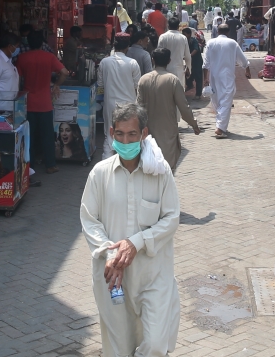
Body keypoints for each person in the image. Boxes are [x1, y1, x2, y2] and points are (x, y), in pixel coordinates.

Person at [80, 103, 180, 357]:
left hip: (153, 275)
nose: (126, 141)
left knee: (155, 344)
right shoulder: (100, 174)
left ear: (144, 133)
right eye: (120, 134)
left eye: (132, 134)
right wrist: (110, 253)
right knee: (118, 349)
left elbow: (171, 217)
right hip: (113, 278)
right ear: (111, 133)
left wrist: (138, 241)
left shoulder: (160, 172)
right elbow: (89, 220)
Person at [137, 48, 201, 170]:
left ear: (153, 60)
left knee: (149, 168)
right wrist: (193, 124)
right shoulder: (172, 80)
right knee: (167, 168)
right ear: (169, 61)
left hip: (148, 131)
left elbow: (138, 108)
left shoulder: (143, 80)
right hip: (168, 132)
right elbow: (183, 106)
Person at [15, 31, 66, 174]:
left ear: (28, 42)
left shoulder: (22, 58)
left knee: (29, 136)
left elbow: (17, 80)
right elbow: (64, 72)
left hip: (28, 103)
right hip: (45, 103)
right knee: (47, 135)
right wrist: (56, 85)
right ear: (42, 43)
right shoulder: (49, 57)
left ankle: (29, 165)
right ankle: (50, 165)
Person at [203, 23, 250, 138]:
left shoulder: (210, 43)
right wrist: (247, 69)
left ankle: (221, 125)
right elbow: (243, 59)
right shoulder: (232, 43)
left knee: (217, 100)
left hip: (214, 76)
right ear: (228, 32)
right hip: (227, 76)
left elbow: (205, 63)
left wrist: (205, 78)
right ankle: (220, 128)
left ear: (218, 31)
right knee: (226, 101)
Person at [98, 33, 141, 157]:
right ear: (127, 47)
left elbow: (100, 84)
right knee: (129, 134)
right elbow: (138, 86)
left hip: (110, 105)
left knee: (109, 134)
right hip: (129, 105)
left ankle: (106, 163)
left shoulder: (104, 62)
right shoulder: (132, 63)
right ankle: (128, 161)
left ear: (114, 45)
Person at [157, 17, 189, 90]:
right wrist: (188, 68)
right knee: (178, 92)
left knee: (166, 92)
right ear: (178, 26)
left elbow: (158, 54)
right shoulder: (183, 38)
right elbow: (187, 56)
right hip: (179, 70)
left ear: (168, 26)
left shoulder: (162, 37)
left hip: (165, 70)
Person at [182, 28, 204, 99]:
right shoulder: (183, 41)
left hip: (197, 61)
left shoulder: (193, 41)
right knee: (187, 75)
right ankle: (190, 85)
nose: (183, 36)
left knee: (198, 77)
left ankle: (198, 94)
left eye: (184, 34)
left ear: (189, 34)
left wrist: (189, 56)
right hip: (189, 62)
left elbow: (196, 49)